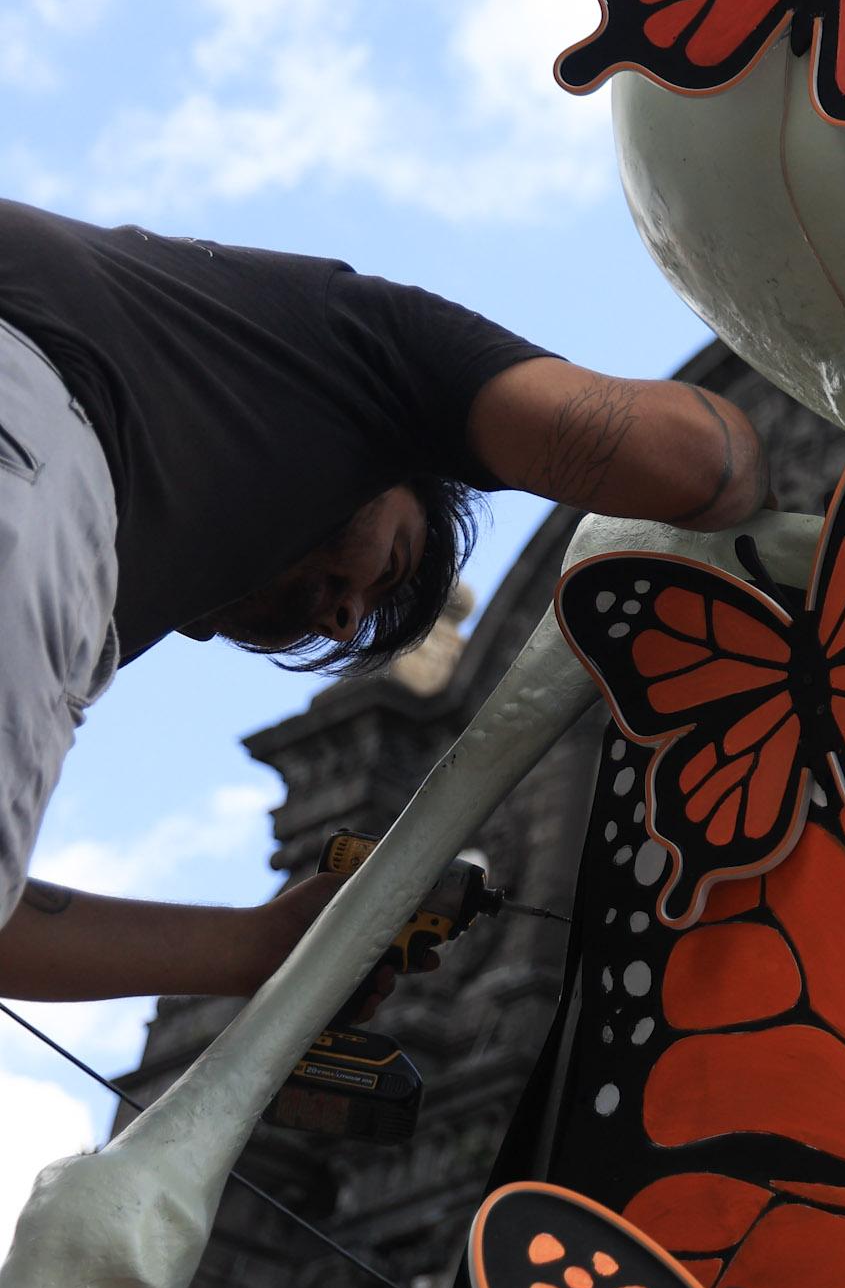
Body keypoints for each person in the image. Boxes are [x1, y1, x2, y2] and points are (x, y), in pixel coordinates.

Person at [0, 196, 768, 1008]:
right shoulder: (356, 350)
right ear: (395, 447)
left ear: (203, 621)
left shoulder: (89, 616)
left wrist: (256, 949)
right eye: (390, 565)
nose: (342, 616)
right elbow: (696, 460)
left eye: (351, 621)